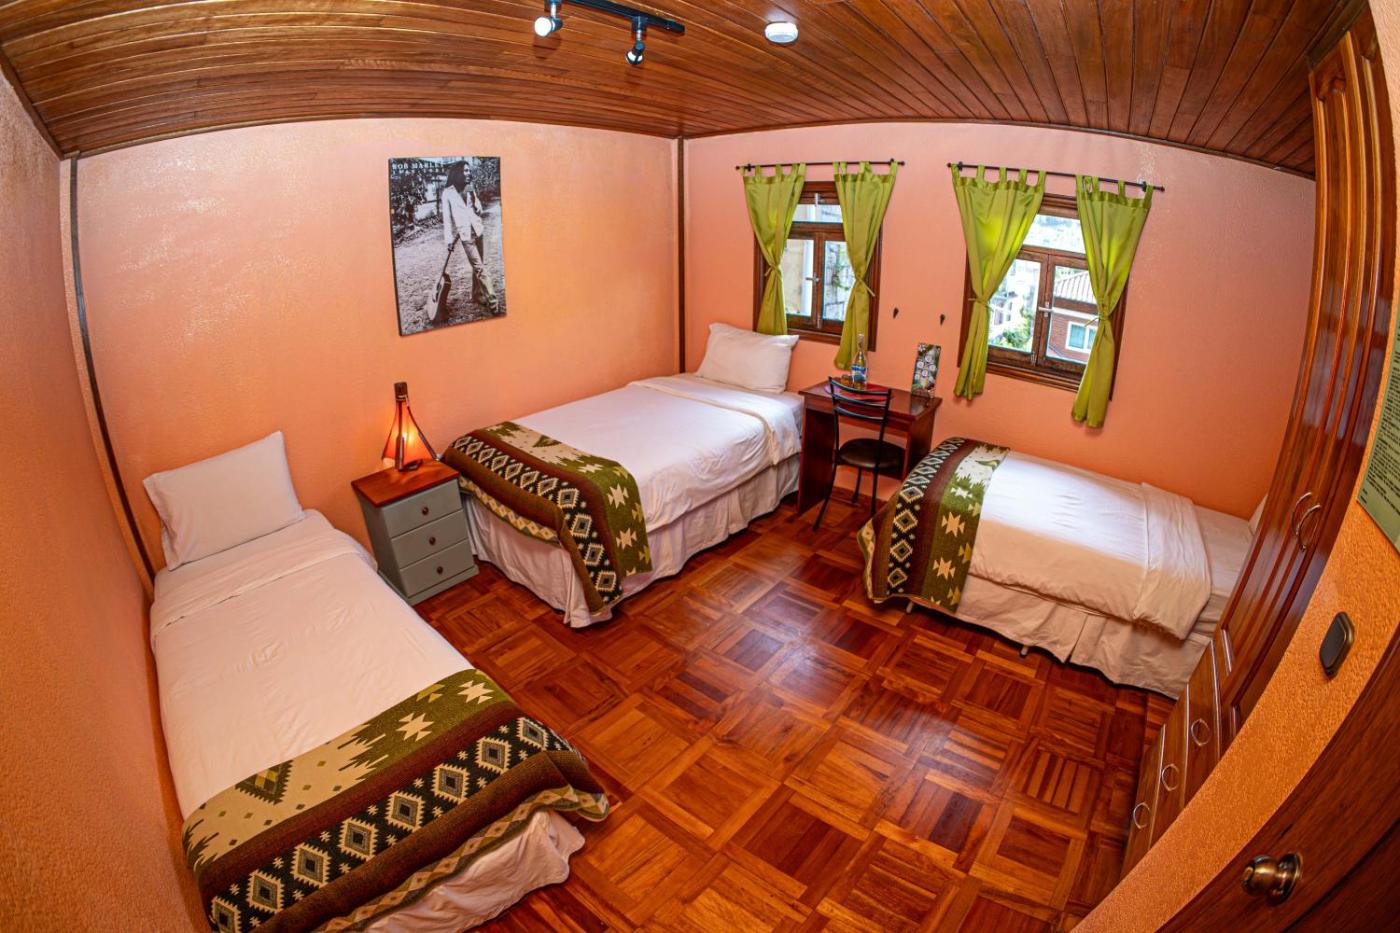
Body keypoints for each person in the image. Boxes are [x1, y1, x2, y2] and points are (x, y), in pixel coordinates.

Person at [439, 161, 498, 316]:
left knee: (478, 267)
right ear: (458, 172)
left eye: (469, 171)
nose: (468, 173)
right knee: (480, 268)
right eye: (465, 171)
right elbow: (447, 219)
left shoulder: (469, 187)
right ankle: (493, 302)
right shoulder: (447, 193)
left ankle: (476, 295)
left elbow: (477, 207)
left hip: (478, 230)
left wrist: (478, 205)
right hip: (466, 235)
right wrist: (448, 240)